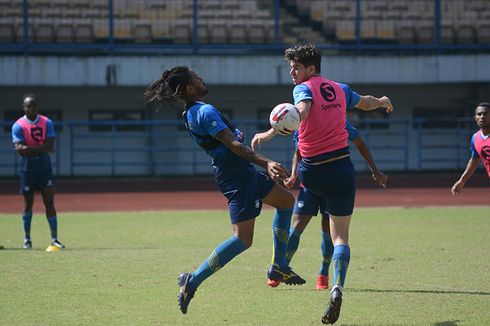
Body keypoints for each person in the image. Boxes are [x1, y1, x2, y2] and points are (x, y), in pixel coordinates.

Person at [143, 66, 305, 315]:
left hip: (241, 173)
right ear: (188, 87)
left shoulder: (192, 112)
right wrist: (267, 162)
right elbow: (234, 145)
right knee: (242, 239)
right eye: (196, 78)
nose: (201, 79)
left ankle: (279, 266)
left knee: (285, 202)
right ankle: (192, 280)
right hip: (237, 176)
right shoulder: (204, 112)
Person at [252, 43, 393, 324]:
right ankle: (337, 286)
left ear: (311, 69)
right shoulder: (339, 88)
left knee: (298, 220)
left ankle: (281, 266)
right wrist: (382, 101)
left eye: (296, 67)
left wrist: (270, 132)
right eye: (290, 67)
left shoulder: (302, 89)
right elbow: (364, 102)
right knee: (340, 236)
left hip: (313, 172)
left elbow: (302, 110)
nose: (292, 72)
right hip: (342, 168)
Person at [253, 120, 388, 290]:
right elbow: (298, 151)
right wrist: (294, 174)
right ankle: (281, 268)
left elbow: (359, 141)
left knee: (328, 230)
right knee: (297, 226)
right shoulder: (300, 122)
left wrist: (374, 169)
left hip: (333, 184)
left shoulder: (338, 121)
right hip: (309, 185)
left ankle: (323, 274)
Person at [11, 94, 65, 250]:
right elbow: (21, 151)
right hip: (27, 169)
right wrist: (40, 148)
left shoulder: (46, 122)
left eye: (33, 105)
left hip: (44, 167)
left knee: (49, 202)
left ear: (37, 107)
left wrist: (29, 149)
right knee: (28, 204)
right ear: (23, 107)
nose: (31, 108)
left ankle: (54, 238)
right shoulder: (18, 125)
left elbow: (50, 147)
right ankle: (27, 239)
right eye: (28, 106)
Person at [451, 103, 490, 194]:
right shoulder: (475, 138)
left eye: (485, 114)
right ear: (475, 118)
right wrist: (462, 180)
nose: (482, 117)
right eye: (479, 114)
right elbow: (474, 160)